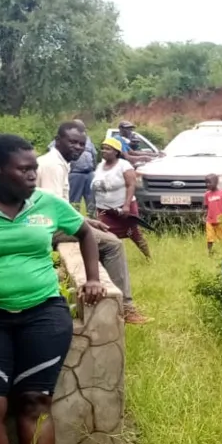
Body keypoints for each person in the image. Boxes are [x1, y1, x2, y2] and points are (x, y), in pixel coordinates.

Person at [0, 134, 106, 444]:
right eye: (24, 169)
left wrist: (93, 279)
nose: (33, 175)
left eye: (34, 168)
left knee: (35, 402)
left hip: (42, 313)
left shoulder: (47, 204)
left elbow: (85, 232)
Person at [36, 121, 150, 325]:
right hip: (45, 227)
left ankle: (112, 301)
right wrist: (83, 224)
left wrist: (85, 220)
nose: (78, 147)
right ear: (58, 140)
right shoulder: (53, 165)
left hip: (49, 222)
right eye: (72, 142)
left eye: (81, 144)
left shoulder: (58, 162)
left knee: (105, 236)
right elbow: (53, 209)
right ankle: (125, 307)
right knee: (113, 244)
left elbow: (59, 206)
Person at [94, 138, 151, 260]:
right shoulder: (100, 166)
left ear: (116, 152)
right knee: (103, 233)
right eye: (103, 148)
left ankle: (148, 258)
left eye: (108, 149)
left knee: (133, 232)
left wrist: (126, 205)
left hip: (123, 207)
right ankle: (105, 259)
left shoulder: (124, 165)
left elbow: (131, 185)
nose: (104, 151)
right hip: (104, 209)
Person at [68, 134, 97, 213]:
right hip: (75, 173)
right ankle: (74, 216)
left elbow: (94, 154)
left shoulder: (88, 139)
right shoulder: (68, 136)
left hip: (89, 173)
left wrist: (94, 167)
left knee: (92, 199)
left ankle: (92, 216)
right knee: (74, 200)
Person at [203, 174, 222, 255]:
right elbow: (206, 207)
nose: (207, 184)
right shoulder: (207, 194)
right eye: (206, 183)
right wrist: (204, 216)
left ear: (216, 182)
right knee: (209, 237)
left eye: (209, 182)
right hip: (210, 219)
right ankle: (209, 252)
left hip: (220, 219)